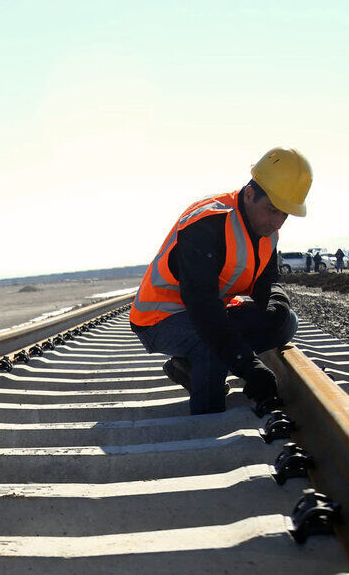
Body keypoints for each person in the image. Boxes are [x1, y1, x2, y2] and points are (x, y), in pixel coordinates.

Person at [130, 147, 310, 415]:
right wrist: (248, 366)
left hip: (204, 311)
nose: (277, 222)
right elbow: (204, 310)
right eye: (272, 210)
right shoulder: (207, 223)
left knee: (286, 322)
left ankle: (188, 368)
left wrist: (276, 303)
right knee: (210, 342)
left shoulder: (266, 230)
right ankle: (207, 418)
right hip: (159, 318)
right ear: (249, 193)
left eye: (284, 214)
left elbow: (268, 280)